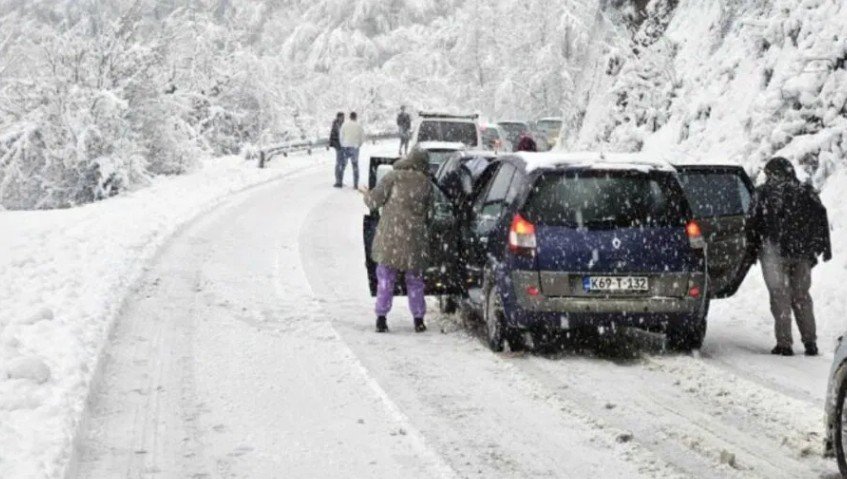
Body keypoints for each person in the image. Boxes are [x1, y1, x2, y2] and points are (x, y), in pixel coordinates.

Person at [747, 156, 831, 356]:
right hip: (802, 254)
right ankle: (810, 343)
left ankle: (784, 344)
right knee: (802, 296)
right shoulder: (806, 192)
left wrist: (752, 249)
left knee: (780, 297)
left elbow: (751, 223)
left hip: (774, 253)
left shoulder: (763, 194)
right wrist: (817, 249)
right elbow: (820, 218)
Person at [359, 148, 432, 333]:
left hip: (391, 237)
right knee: (415, 280)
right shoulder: (426, 183)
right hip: (414, 239)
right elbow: (430, 213)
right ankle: (418, 319)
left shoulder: (393, 177)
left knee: (385, 277)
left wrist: (366, 193)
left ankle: (381, 318)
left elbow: (374, 202)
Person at [339, 111, 365, 189]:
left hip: (346, 146)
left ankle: (340, 182)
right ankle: (355, 184)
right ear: (355, 117)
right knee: (355, 165)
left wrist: (343, 145)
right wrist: (359, 145)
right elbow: (362, 137)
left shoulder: (344, 125)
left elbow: (341, 136)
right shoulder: (359, 126)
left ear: (350, 117)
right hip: (355, 147)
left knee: (343, 165)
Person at [330, 112, 345, 188]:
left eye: (343, 117)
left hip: (344, 147)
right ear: (338, 117)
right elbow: (332, 137)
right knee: (339, 163)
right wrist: (337, 146)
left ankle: (340, 180)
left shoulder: (343, 124)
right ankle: (338, 181)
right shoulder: (335, 125)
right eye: (342, 117)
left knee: (343, 164)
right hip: (339, 147)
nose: (343, 118)